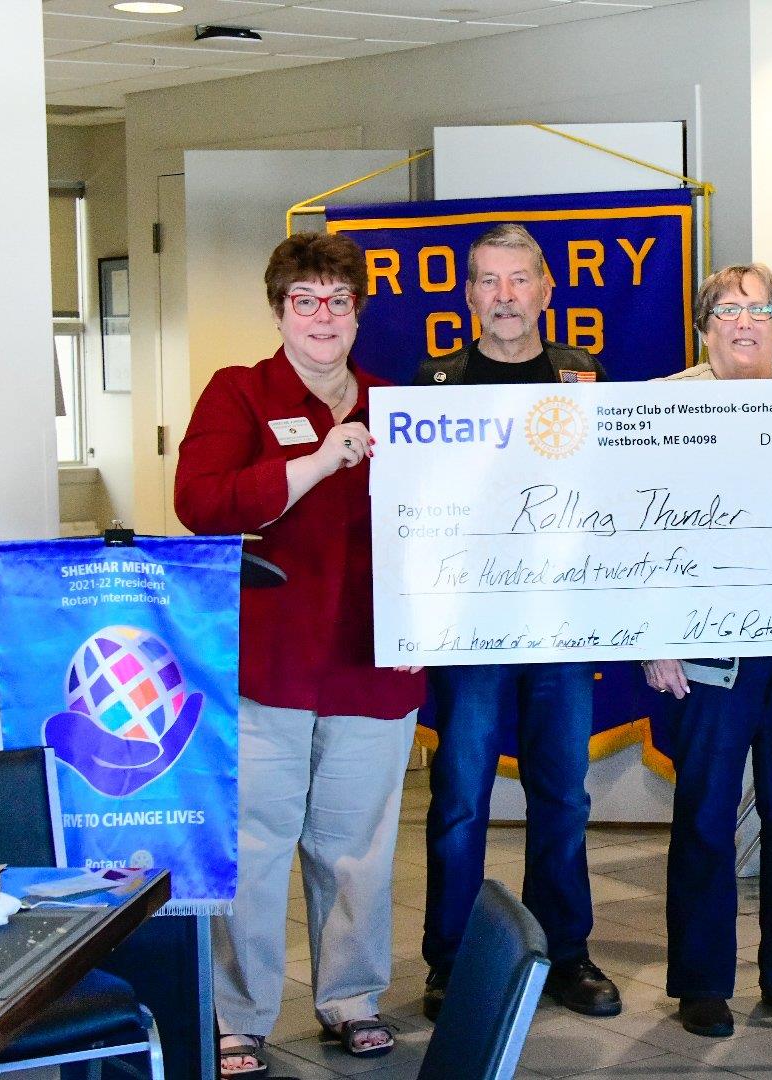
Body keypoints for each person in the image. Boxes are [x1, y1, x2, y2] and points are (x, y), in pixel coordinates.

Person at [175, 232, 426, 1078]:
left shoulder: (397, 405)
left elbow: (447, 525)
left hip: (372, 665)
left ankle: (351, 999)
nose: (323, 317)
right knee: (255, 848)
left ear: (359, 313)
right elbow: (201, 504)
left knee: (358, 849)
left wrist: (431, 618)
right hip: (268, 667)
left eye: (339, 301)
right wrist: (315, 462)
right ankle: (238, 1016)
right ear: (280, 310)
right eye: (305, 300)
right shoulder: (239, 393)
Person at [415, 224, 620, 1021]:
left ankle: (565, 953)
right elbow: (413, 511)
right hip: (468, 626)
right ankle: (452, 960)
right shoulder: (435, 384)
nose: (504, 296)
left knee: (562, 796)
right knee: (461, 798)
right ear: (469, 295)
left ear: (545, 289)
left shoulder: (585, 375)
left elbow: (612, 492)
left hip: (560, 621)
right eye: (488, 281)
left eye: (519, 279)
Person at [640, 263, 772, 1039]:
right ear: (704, 326)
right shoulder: (662, 405)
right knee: (704, 817)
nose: (746, 323)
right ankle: (701, 982)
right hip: (706, 653)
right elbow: (631, 526)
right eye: (729, 309)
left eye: (761, 309)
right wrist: (651, 633)